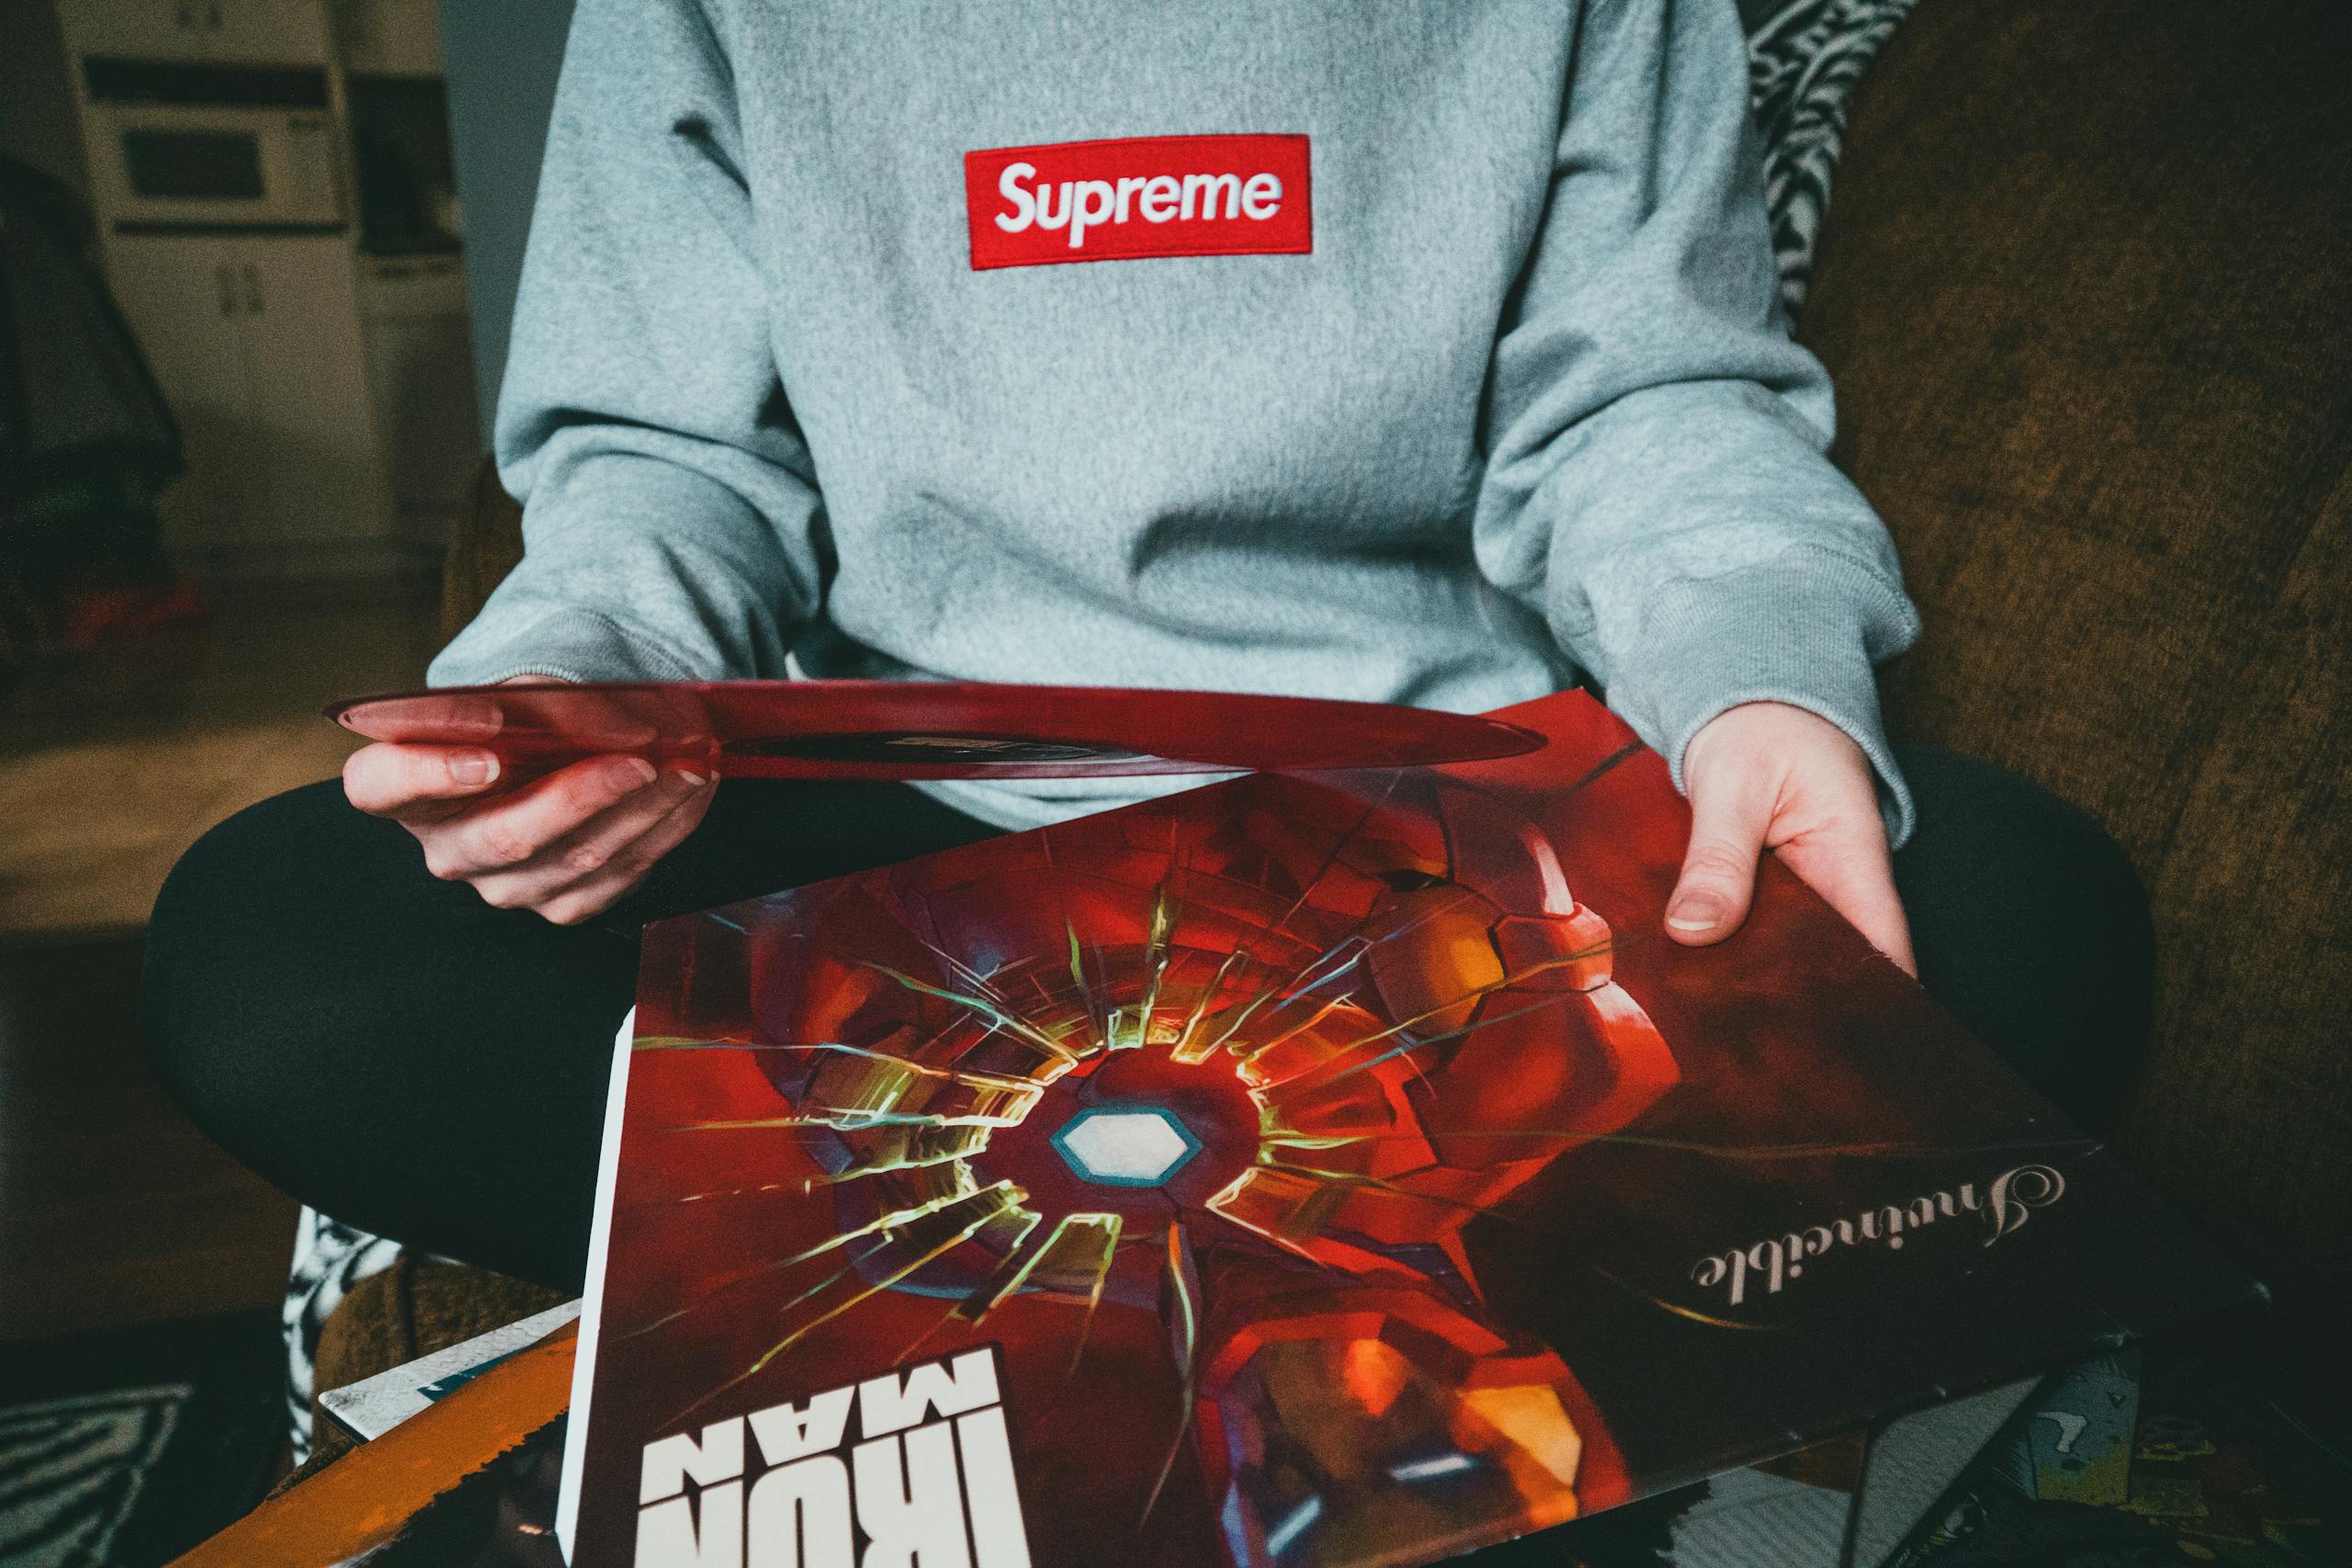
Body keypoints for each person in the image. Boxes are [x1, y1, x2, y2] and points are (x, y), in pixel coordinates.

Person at [140, 0, 2152, 1295]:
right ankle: (1374, 1247)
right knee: (278, 953)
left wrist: (1758, 678)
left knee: (2019, 919)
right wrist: (589, 674)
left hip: (1438, 846)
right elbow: (668, 461)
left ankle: (1069, 1279)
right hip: (910, 849)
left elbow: (1649, 399)